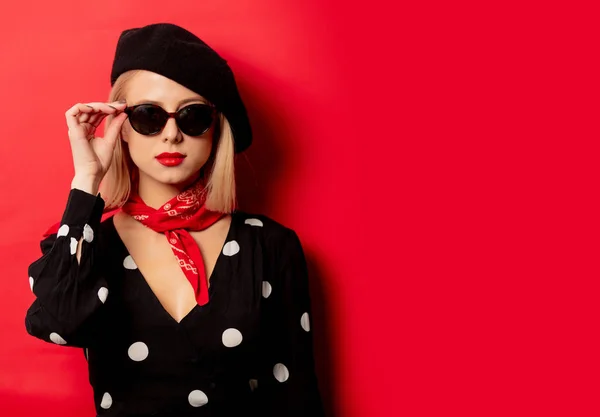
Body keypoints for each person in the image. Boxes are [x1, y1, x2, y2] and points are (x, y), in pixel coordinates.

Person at [24, 22, 324, 417]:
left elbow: (296, 395)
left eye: (193, 116)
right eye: (148, 115)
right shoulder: (86, 246)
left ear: (216, 130)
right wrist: (86, 180)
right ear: (122, 128)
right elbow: (61, 323)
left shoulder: (271, 246)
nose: (171, 135)